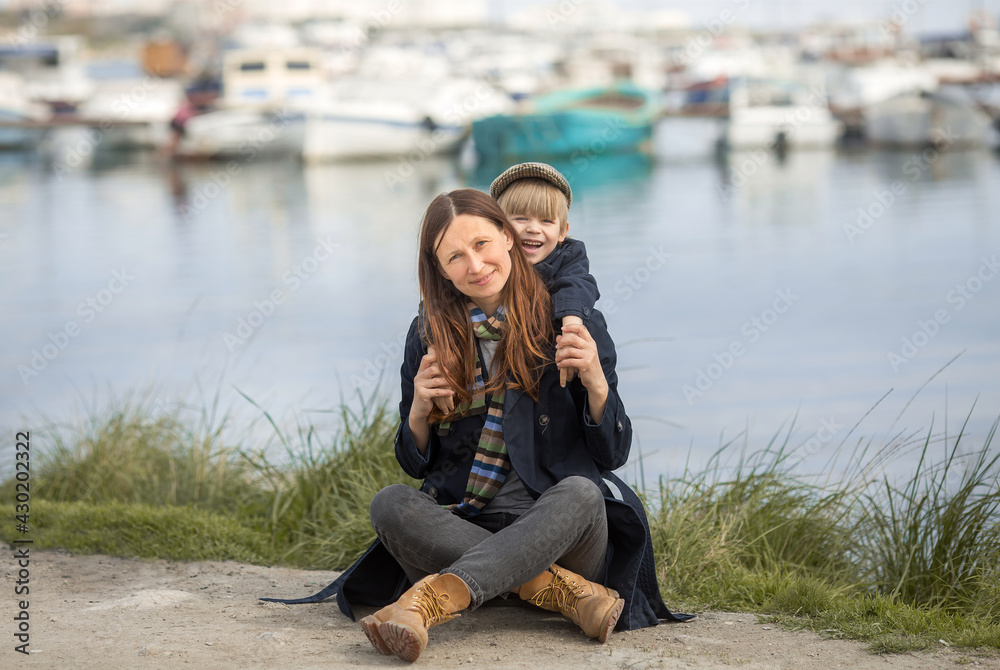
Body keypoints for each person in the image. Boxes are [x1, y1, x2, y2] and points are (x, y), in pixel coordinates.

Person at [262, 189, 690, 662]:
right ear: (440, 268)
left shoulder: (569, 322)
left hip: (561, 533)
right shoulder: (429, 332)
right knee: (390, 503)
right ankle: (555, 590)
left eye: (483, 244)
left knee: (583, 493)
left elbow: (613, 454)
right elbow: (412, 462)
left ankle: (435, 598)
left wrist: (595, 383)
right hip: (468, 519)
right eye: (456, 256)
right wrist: (419, 412)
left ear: (507, 238)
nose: (475, 264)